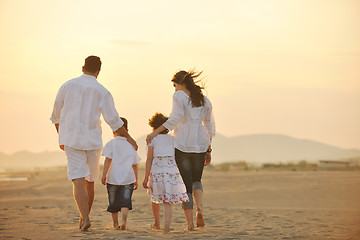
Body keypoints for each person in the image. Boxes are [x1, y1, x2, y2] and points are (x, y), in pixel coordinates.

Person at [50, 56, 138, 231]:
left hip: (72, 140)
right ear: (99, 71)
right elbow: (114, 121)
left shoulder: (67, 86)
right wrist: (130, 138)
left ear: (82, 67)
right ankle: (84, 217)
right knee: (89, 182)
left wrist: (62, 136)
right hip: (92, 141)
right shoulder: (102, 91)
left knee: (77, 181)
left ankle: (85, 217)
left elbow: (55, 115)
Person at [146, 69, 215, 231]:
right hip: (200, 145)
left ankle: (190, 225)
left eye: (174, 85)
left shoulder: (178, 96)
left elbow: (174, 119)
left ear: (181, 83)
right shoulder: (205, 100)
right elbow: (210, 126)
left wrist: (155, 132)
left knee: (186, 186)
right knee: (197, 180)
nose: (174, 88)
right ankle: (200, 210)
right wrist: (209, 149)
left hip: (183, 145)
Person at [142, 113, 189, 233]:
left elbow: (149, 159)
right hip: (171, 171)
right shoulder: (173, 139)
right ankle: (167, 227)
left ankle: (157, 223)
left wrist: (146, 176)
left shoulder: (152, 139)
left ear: (153, 126)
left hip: (157, 171)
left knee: (155, 197)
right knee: (167, 202)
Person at [101, 117, 141, 230]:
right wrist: (136, 179)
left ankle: (115, 223)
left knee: (113, 202)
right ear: (127, 131)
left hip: (112, 178)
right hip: (128, 179)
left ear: (113, 131)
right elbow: (135, 164)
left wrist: (104, 175)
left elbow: (108, 160)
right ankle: (123, 221)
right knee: (125, 202)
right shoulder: (131, 146)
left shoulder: (111, 144)